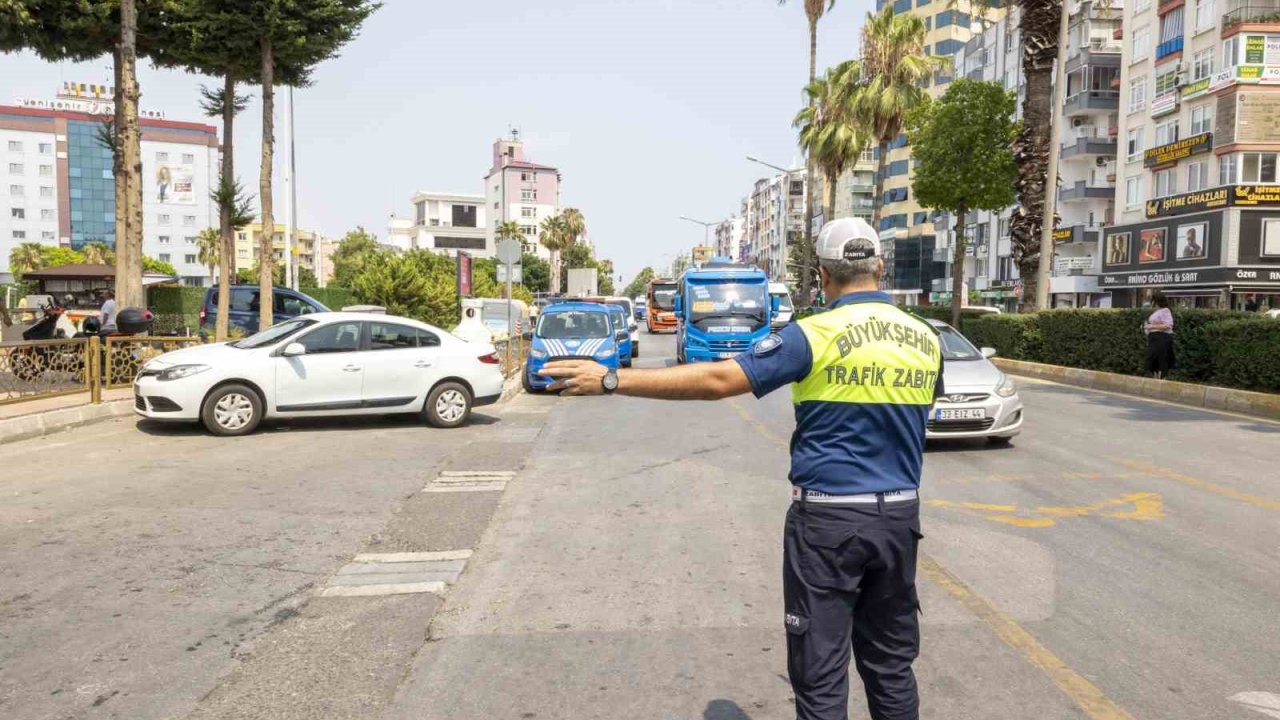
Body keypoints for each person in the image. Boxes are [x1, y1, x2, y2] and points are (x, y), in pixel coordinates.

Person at [540, 217, 944, 720]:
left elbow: (716, 380)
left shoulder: (812, 335)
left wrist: (611, 381)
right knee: (891, 668)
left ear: (822, 274)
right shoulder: (924, 337)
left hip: (828, 526)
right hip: (899, 521)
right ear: (879, 267)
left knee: (821, 673)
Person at [1143, 293, 1175, 379]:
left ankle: (1161, 378)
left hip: (1161, 338)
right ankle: (1156, 377)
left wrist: (1152, 326)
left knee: (1160, 358)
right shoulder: (1157, 311)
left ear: (1156, 302)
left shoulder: (1165, 310)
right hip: (1153, 337)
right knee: (1152, 359)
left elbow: (1168, 325)